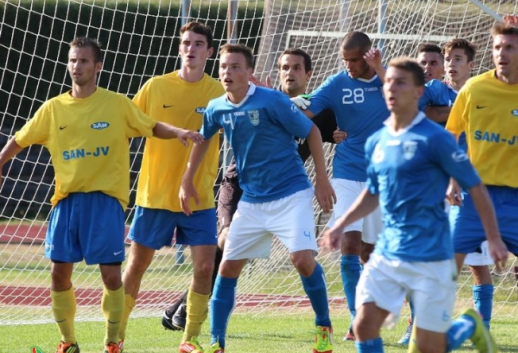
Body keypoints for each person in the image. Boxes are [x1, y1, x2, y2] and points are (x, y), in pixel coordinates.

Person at [0, 37, 202, 353]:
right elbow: (20, 139)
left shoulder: (117, 104)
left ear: (97, 67)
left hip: (106, 203)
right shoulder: (53, 108)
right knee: (58, 274)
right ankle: (68, 341)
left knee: (110, 276)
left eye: (83, 61)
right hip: (66, 202)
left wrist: (177, 132)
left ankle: (112, 341)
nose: (76, 67)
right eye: (72, 61)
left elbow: (150, 126)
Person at [323, 57, 508, 353]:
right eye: (388, 82)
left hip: (431, 256)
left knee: (429, 347)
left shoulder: (436, 139)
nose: (391, 88)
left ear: (419, 92)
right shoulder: (378, 141)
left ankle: (469, 324)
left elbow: (476, 186)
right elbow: (373, 192)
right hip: (389, 250)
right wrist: (341, 225)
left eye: (400, 82)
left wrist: (495, 238)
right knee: (364, 325)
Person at [160, 47, 339, 332]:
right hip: (249, 195)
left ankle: (323, 324)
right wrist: (187, 179)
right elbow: (204, 138)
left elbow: (314, 131)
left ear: (248, 72)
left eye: (234, 67)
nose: (227, 73)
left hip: (291, 193)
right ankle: (215, 341)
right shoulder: (217, 106)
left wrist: (322, 178)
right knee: (227, 260)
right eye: (223, 67)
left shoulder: (274, 101)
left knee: (303, 261)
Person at [446, 22, 518, 353]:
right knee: (443, 276)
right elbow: (451, 137)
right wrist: (452, 179)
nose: (502, 54)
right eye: (497, 48)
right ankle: (424, 343)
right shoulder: (473, 89)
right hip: (473, 197)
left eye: (509, 48)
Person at [113, 22, 225, 353]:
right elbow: (129, 126)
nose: (191, 48)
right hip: (155, 195)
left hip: (200, 196)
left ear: (209, 51)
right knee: (136, 266)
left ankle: (188, 339)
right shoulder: (155, 87)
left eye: (198, 43)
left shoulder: (219, 91)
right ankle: (116, 336)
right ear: (180, 48)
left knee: (205, 267)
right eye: (186, 43)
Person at [292, 31, 389, 341]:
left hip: (384, 178)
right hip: (347, 174)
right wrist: (273, 103)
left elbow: (405, 102)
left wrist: (383, 69)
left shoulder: (389, 80)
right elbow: (306, 110)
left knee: (372, 254)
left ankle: (402, 315)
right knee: (349, 245)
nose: (349, 66)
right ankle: (356, 320)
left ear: (369, 55)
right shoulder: (336, 83)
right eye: (344, 60)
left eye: (354, 60)